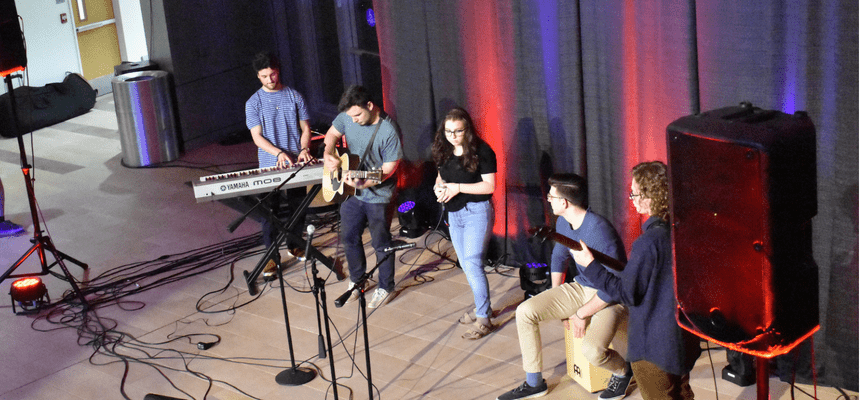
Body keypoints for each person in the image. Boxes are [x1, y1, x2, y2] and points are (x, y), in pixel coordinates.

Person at [571, 161, 701, 400]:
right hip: (682, 342)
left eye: (634, 193)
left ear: (650, 197)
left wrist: (590, 266)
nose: (631, 199)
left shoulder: (648, 242)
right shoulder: (684, 231)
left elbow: (627, 293)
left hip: (654, 349)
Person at [498, 173, 630, 400]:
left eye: (551, 196)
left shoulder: (599, 230)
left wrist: (580, 314)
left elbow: (614, 287)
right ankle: (534, 383)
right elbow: (559, 257)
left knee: (592, 351)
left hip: (609, 297)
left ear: (564, 202)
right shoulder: (563, 222)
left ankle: (623, 372)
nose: (548, 199)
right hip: (581, 288)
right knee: (526, 311)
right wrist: (555, 295)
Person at [323, 85, 402, 309]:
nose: (354, 120)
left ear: (370, 105)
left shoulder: (388, 131)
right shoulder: (348, 116)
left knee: (380, 243)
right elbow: (331, 134)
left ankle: (386, 287)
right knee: (349, 237)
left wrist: (365, 181)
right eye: (351, 116)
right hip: (351, 193)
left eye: (357, 115)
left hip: (378, 195)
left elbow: (389, 170)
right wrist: (329, 153)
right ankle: (358, 281)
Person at [244, 52, 313, 280]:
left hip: (296, 162)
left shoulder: (294, 96)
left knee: (298, 206)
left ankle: (295, 245)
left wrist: (304, 149)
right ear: (258, 76)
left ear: (278, 71)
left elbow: (305, 128)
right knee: (269, 212)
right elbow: (257, 137)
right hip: (269, 164)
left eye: (272, 74)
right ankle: (271, 257)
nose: (270, 79)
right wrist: (279, 153)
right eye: (264, 76)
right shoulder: (253, 103)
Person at [431, 107, 496, 340]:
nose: (453, 136)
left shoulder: (482, 151)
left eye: (458, 131)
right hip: (454, 213)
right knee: (466, 265)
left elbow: (489, 186)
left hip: (476, 211)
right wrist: (438, 187)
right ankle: (483, 309)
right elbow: (441, 176)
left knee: (473, 262)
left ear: (467, 130)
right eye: (448, 131)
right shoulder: (444, 150)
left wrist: (458, 188)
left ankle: (483, 319)